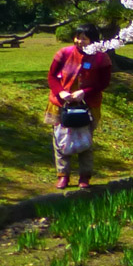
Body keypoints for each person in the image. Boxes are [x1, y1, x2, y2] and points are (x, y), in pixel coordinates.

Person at [46, 25, 113, 190]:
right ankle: (63, 175)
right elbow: (52, 76)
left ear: (93, 40)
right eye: (78, 37)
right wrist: (61, 92)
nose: (80, 41)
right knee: (60, 140)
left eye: (84, 38)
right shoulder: (64, 53)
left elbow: (103, 83)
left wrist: (85, 92)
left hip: (87, 105)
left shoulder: (101, 58)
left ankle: (84, 176)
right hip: (61, 103)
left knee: (85, 141)